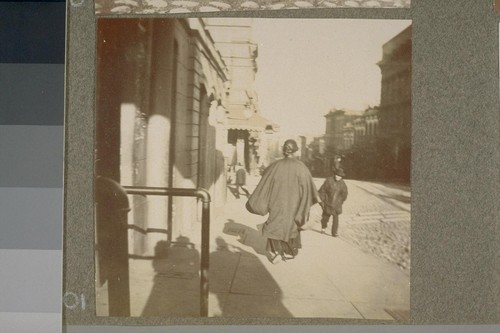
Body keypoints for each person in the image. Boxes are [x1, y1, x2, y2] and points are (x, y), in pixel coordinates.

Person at [246, 139, 321, 264]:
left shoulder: (275, 166)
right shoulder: (301, 168)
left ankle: (276, 252)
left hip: (277, 203)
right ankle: (289, 251)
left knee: (275, 225)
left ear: (284, 150)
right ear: (295, 150)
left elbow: (264, 184)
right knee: (292, 227)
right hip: (295, 205)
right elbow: (309, 188)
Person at [318, 155, 348, 237]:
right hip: (328, 203)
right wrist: (323, 200)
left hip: (336, 204)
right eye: (337, 175)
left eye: (340, 176)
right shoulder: (329, 181)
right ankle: (323, 227)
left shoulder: (343, 184)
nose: (338, 177)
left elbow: (345, 194)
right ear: (335, 174)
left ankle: (334, 232)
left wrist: (340, 201)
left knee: (336, 219)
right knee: (325, 217)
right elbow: (322, 190)